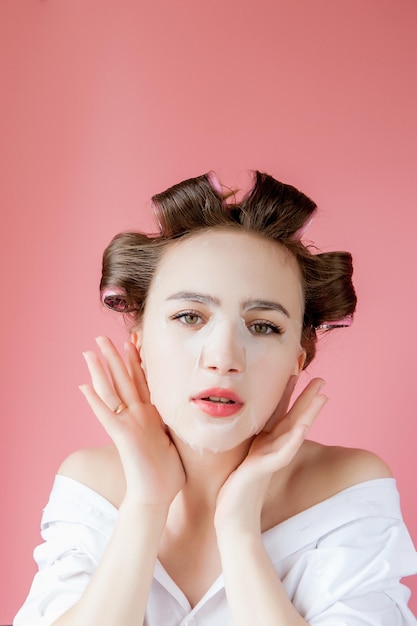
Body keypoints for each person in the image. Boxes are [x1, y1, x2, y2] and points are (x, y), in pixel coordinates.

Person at [14, 171, 417, 626]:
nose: (224, 358)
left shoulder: (346, 490)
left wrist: (239, 528)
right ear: (140, 339)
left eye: (264, 326)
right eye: (189, 316)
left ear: (298, 359)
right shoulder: (91, 486)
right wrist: (145, 505)